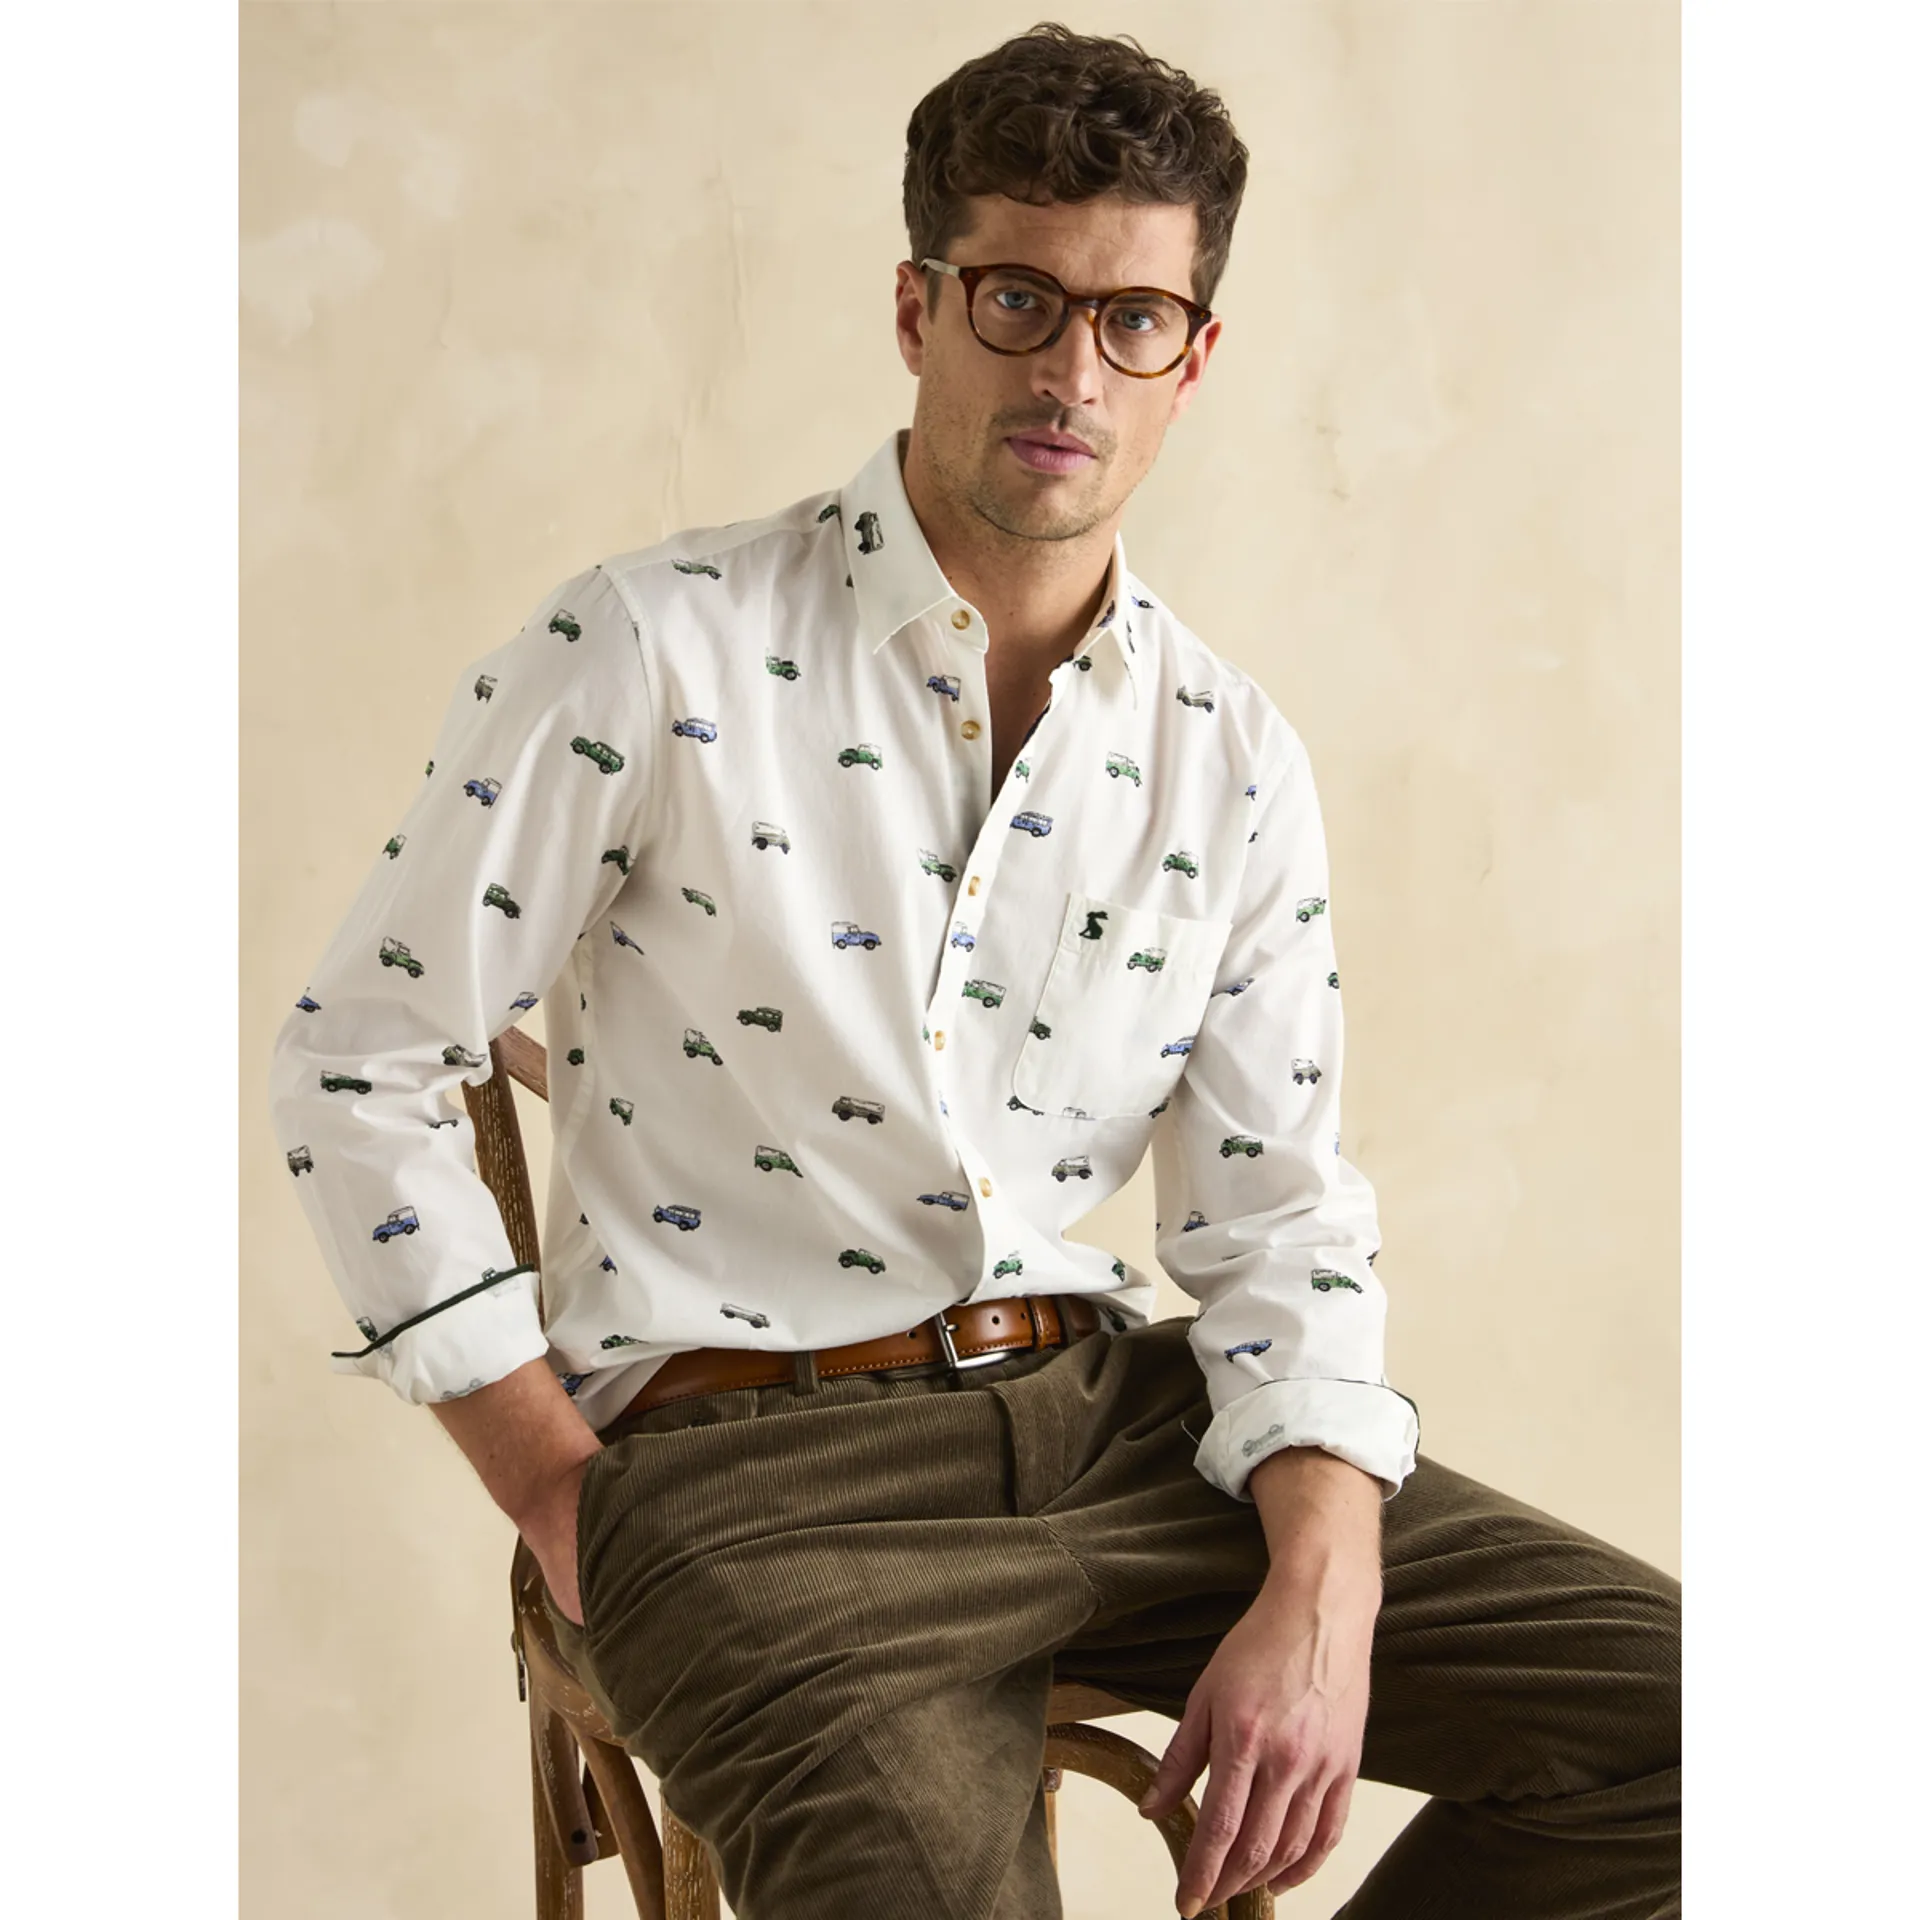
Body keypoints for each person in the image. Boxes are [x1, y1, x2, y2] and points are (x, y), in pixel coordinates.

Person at [268, 22, 1679, 1918]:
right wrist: (551, 1481)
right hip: (748, 1474)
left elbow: (1276, 1216)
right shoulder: (654, 649)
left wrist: (1326, 1577)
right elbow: (362, 1057)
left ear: (1194, 357)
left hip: (1122, 1428)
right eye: (1020, 298)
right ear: (918, 308)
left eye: (1134, 318)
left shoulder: (1228, 753)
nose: (1072, 371)